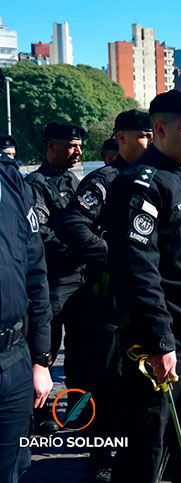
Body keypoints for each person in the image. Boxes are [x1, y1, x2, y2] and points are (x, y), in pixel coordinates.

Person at [106, 90, 181, 482]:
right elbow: (138, 270)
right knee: (146, 445)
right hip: (165, 341)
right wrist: (159, 341)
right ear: (160, 129)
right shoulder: (139, 184)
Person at [54, 109, 152, 481]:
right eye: (142, 135)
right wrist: (115, 258)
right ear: (122, 138)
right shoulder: (104, 181)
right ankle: (102, 455)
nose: (149, 143)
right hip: (107, 301)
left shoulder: (161, 178)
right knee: (105, 382)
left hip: (150, 299)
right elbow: (72, 226)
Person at [25, 120, 85, 435]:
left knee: (80, 351)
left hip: (80, 277)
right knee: (46, 347)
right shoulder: (36, 183)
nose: (78, 152)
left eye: (79, 146)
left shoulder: (74, 182)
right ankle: (42, 411)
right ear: (50, 146)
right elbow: (41, 233)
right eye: (70, 146)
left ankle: (75, 409)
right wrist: (81, 246)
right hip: (53, 278)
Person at [0, 152, 53, 483]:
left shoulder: (10, 180)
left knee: (11, 470)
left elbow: (35, 273)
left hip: (14, 359)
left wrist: (40, 359)